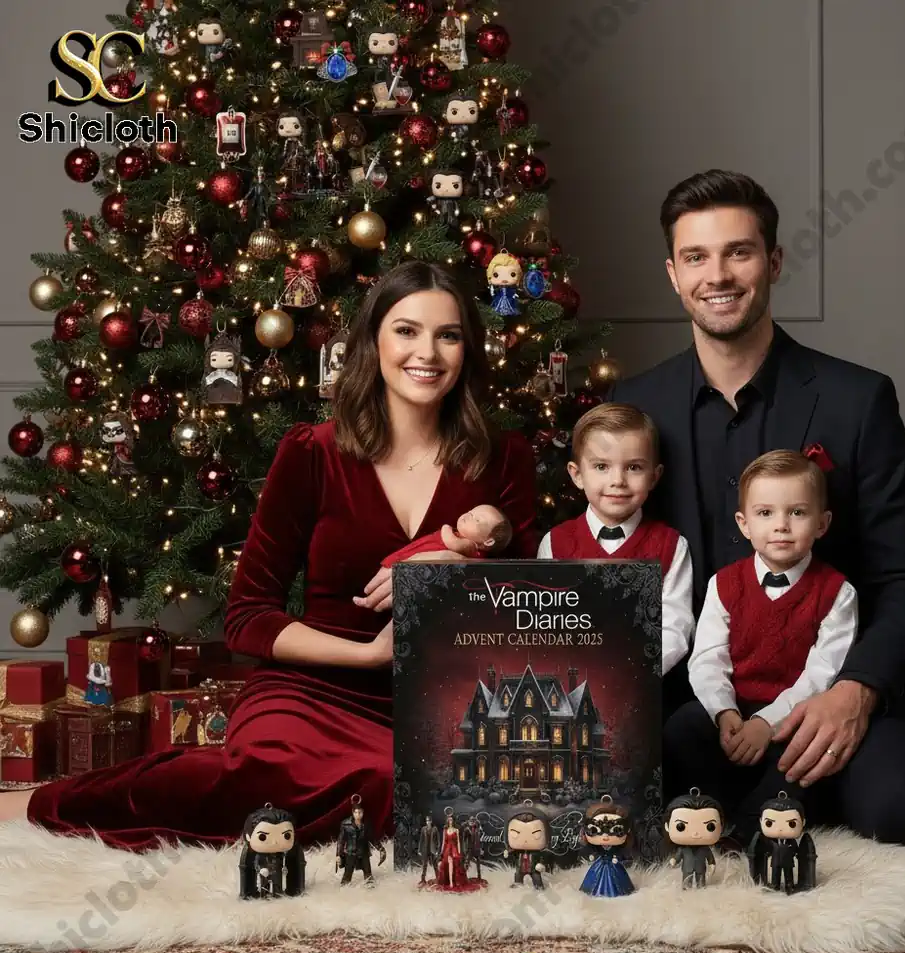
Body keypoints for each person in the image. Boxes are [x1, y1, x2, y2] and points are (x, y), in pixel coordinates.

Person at [0, 260, 538, 849]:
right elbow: (248, 617)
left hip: (448, 693)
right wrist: (368, 655)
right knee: (263, 782)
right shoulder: (311, 452)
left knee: (414, 789)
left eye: (448, 334)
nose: (427, 352)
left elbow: (535, 611)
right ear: (373, 341)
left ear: (467, 349)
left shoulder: (503, 456)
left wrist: (451, 569)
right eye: (406, 330)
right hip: (312, 688)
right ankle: (47, 803)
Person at [607, 168, 905, 847]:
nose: (718, 275)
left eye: (740, 251)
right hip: (701, 706)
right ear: (673, 274)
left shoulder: (856, 400)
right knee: (622, 811)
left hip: (832, 690)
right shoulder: (634, 412)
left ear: (774, 261)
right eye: (696, 257)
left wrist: (855, 692)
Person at [667, 449, 858, 841]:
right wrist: (725, 714)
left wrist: (765, 723)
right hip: (733, 711)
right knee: (684, 726)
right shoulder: (724, 584)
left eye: (798, 513)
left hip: (791, 716)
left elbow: (821, 676)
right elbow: (707, 659)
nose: (782, 526)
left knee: (805, 752)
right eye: (766, 513)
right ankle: (708, 805)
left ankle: (758, 817)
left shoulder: (837, 592)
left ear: (822, 524)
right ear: (745, 523)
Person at [537, 402, 695, 677]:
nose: (617, 480)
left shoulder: (671, 545)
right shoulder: (555, 543)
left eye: (633, 467)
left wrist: (633, 669)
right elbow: (545, 620)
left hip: (642, 681)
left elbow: (675, 626)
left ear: (654, 477)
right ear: (577, 475)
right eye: (601, 466)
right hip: (570, 678)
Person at [380, 504, 512, 567]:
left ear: (488, 541)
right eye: (470, 511)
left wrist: (446, 528)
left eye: (477, 520)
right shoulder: (463, 537)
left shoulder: (471, 547)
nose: (468, 515)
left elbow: (451, 542)